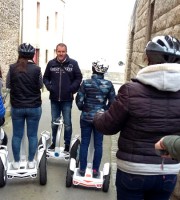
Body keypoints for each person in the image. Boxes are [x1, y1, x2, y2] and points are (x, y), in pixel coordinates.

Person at [93, 35, 180, 200]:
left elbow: (108, 126)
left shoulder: (130, 91)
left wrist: (98, 115)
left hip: (133, 170)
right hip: (167, 172)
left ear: (148, 59)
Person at [76, 58, 115, 177]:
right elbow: (113, 102)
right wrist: (104, 110)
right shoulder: (108, 85)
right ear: (104, 71)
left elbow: (79, 100)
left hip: (86, 117)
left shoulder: (86, 83)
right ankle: (95, 170)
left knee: (84, 143)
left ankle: (82, 169)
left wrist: (84, 108)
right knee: (98, 144)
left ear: (93, 69)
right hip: (100, 118)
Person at [6, 43, 43, 169]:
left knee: (17, 135)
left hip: (17, 107)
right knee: (32, 135)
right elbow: (40, 86)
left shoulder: (12, 68)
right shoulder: (37, 70)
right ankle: (31, 161)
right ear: (33, 55)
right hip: (34, 107)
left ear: (19, 54)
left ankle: (16, 162)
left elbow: (8, 86)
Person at [43, 43, 82, 152]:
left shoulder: (73, 64)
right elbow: (45, 77)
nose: (61, 54)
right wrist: (50, 87)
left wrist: (71, 88)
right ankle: (54, 143)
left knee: (67, 123)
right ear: (56, 51)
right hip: (54, 99)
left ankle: (67, 144)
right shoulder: (51, 64)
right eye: (59, 51)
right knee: (54, 122)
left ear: (66, 51)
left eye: (63, 51)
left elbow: (79, 78)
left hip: (67, 99)